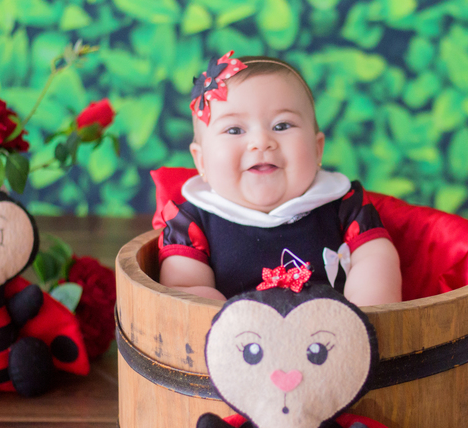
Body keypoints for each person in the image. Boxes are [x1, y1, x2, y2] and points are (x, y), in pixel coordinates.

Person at [157, 52, 402, 306]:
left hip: (332, 336)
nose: (262, 142)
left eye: (282, 126)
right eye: (234, 130)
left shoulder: (344, 206)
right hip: (237, 339)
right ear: (201, 161)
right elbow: (184, 291)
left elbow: (375, 258)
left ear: (317, 148)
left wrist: (367, 308)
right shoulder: (192, 223)